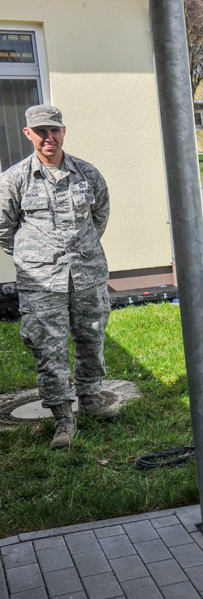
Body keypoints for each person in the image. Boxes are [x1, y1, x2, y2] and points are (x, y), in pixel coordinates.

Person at [0, 105, 121, 449]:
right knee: (48, 350)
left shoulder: (86, 173)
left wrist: (80, 249)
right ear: (28, 134)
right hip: (41, 283)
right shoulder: (14, 179)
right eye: (40, 131)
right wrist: (35, 257)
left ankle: (91, 398)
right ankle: (63, 418)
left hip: (87, 275)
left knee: (92, 339)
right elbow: (3, 228)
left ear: (63, 131)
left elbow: (100, 214)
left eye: (54, 130)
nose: (48, 137)